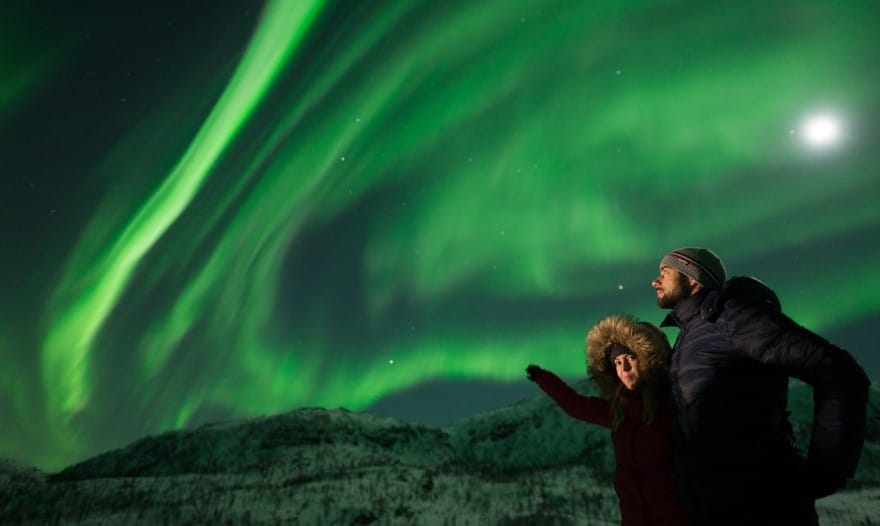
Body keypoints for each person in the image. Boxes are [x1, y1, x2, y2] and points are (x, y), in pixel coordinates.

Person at [652, 247, 870, 525]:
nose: (654, 281)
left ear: (693, 278)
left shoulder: (732, 317)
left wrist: (826, 471)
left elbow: (836, 369)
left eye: (664, 273)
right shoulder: (688, 338)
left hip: (764, 506)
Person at [526, 313, 690, 525]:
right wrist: (542, 377)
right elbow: (576, 405)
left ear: (648, 359)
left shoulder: (673, 404)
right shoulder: (618, 413)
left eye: (631, 358)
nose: (624, 368)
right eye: (618, 362)